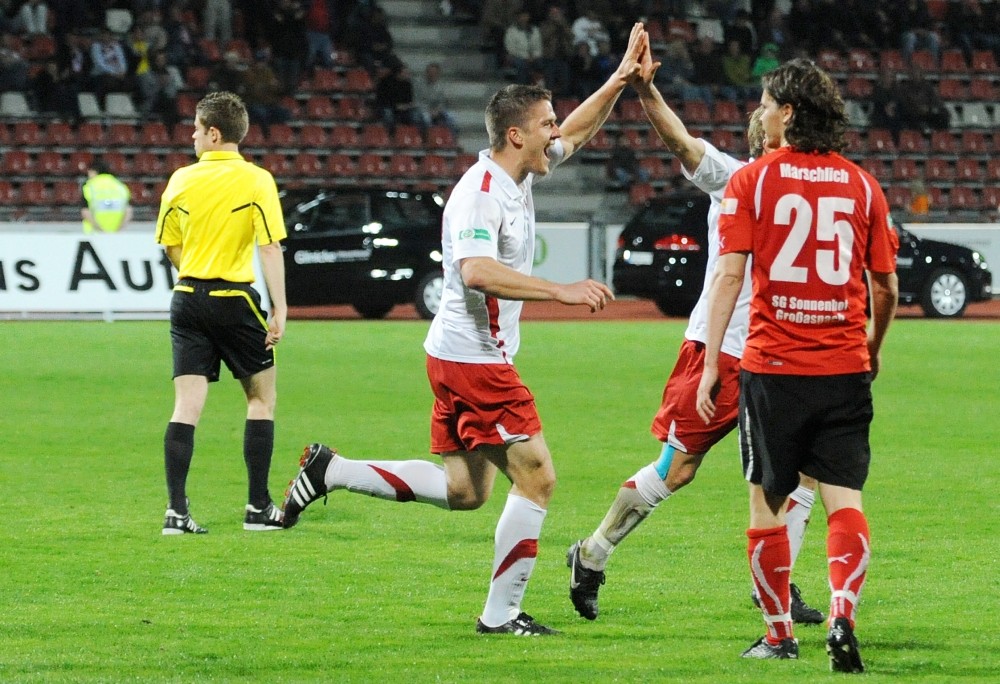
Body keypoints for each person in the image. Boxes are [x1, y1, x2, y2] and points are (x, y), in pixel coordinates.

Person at [282, 24, 647, 637]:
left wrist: (619, 80)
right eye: (546, 124)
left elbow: (579, 132)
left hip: (456, 355)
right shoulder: (479, 195)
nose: (556, 132)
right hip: (475, 358)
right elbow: (476, 270)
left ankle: (331, 471)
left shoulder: (518, 175)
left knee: (465, 491)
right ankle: (500, 616)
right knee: (538, 477)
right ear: (516, 134)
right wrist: (560, 290)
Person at [568, 33, 823, 627]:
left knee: (806, 467)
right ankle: (592, 552)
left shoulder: (810, 190)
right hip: (722, 348)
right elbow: (682, 143)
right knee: (676, 469)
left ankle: (777, 586)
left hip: (780, 355)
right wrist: (647, 91)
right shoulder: (735, 178)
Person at [695, 59, 899, 670]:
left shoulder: (751, 182)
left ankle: (780, 635)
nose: (758, 114)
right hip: (843, 368)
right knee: (844, 500)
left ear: (787, 113)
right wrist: (872, 347)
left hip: (772, 369)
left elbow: (728, 277)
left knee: (767, 504)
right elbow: (885, 286)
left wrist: (712, 362)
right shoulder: (863, 185)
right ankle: (842, 615)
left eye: (764, 103)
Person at [155, 91, 288, 535]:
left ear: (214, 133)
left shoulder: (180, 180)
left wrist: (196, 271)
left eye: (196, 129)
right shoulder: (257, 180)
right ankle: (258, 508)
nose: (192, 136)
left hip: (187, 297)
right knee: (261, 400)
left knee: (186, 406)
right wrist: (280, 308)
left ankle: (176, 512)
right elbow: (269, 247)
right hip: (234, 299)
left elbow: (171, 246)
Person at [82, 160, 132, 234]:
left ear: (94, 171)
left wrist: (102, 231)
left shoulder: (89, 186)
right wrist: (117, 230)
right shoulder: (120, 186)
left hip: (94, 234)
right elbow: (128, 211)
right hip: (117, 234)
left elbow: (85, 212)